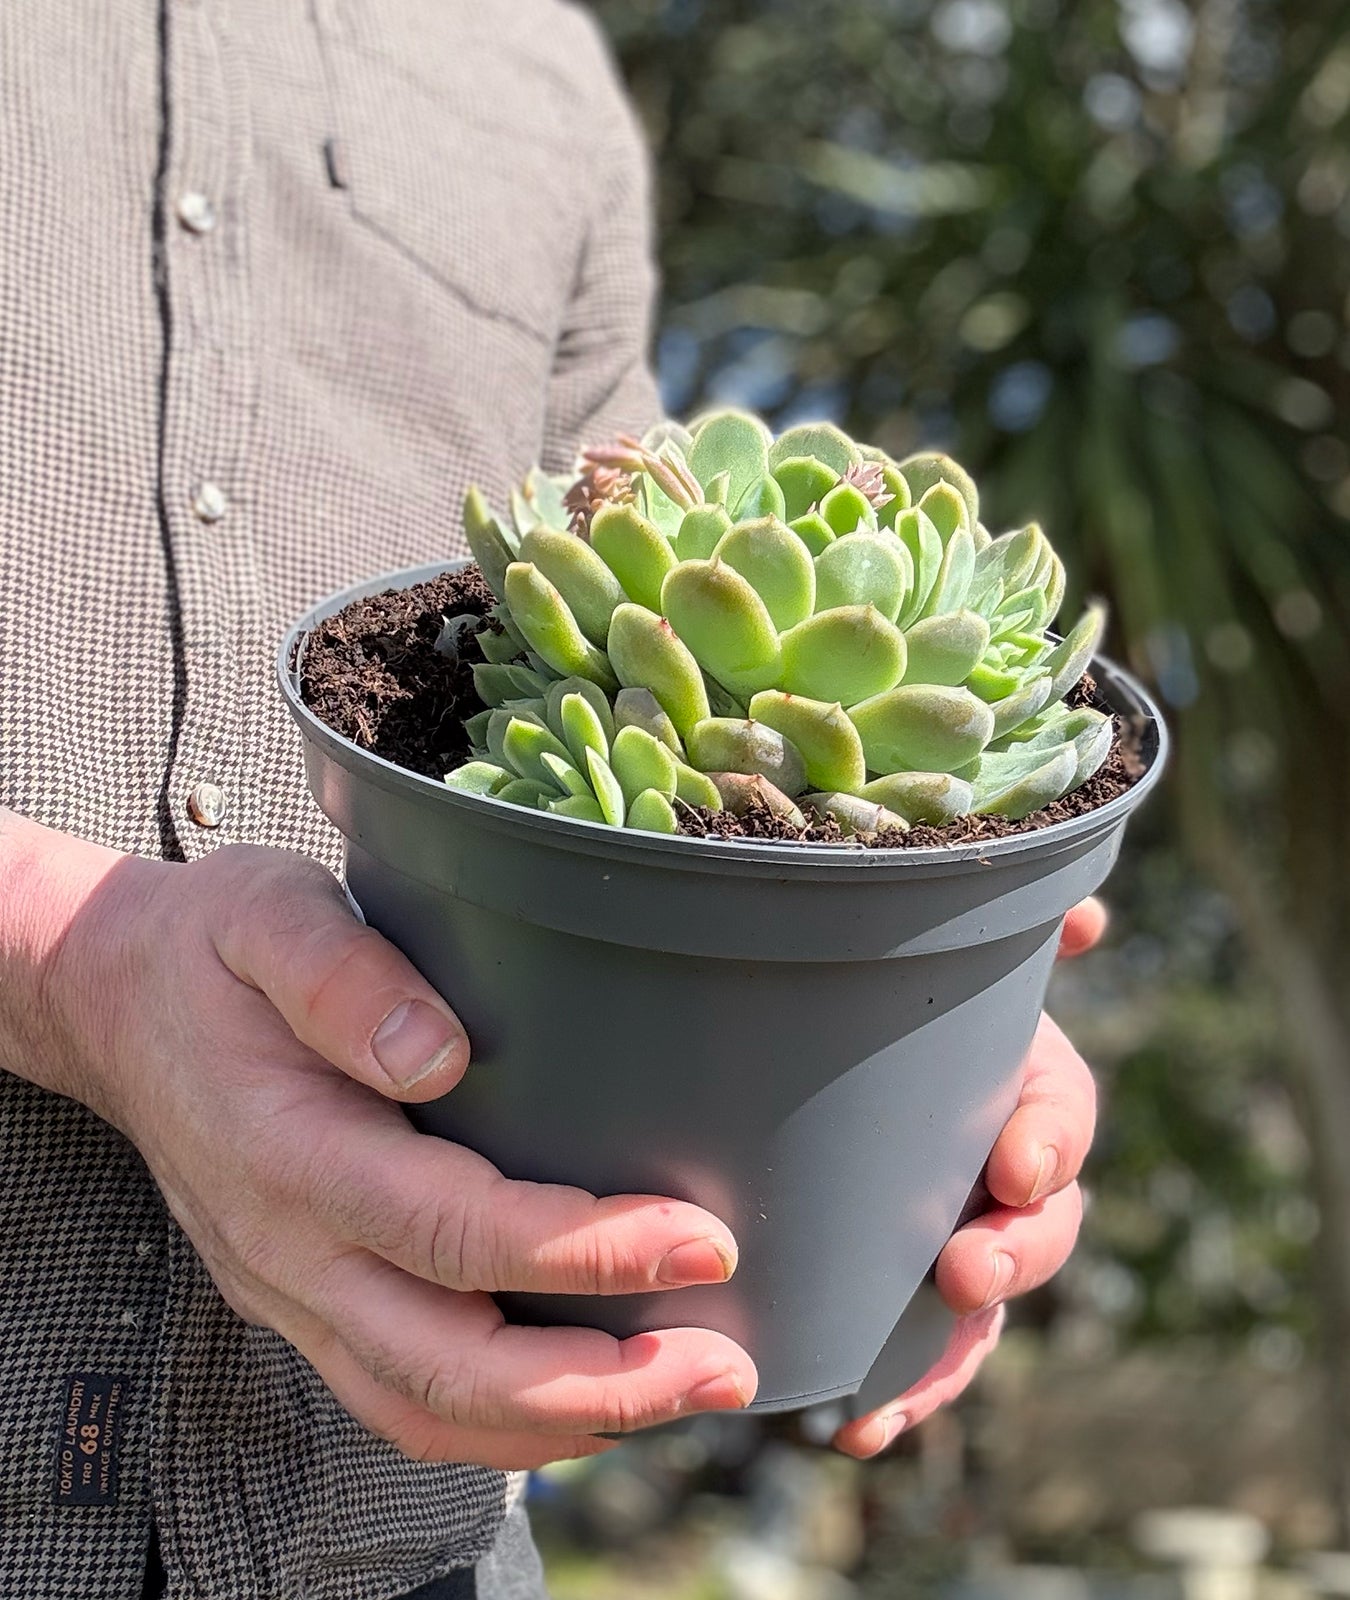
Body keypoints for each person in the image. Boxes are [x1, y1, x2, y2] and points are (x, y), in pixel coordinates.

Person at [0, 2, 1100, 1595]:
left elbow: (640, 661)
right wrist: (64, 959)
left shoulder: (527, 74)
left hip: (413, 1551)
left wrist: (924, 974)